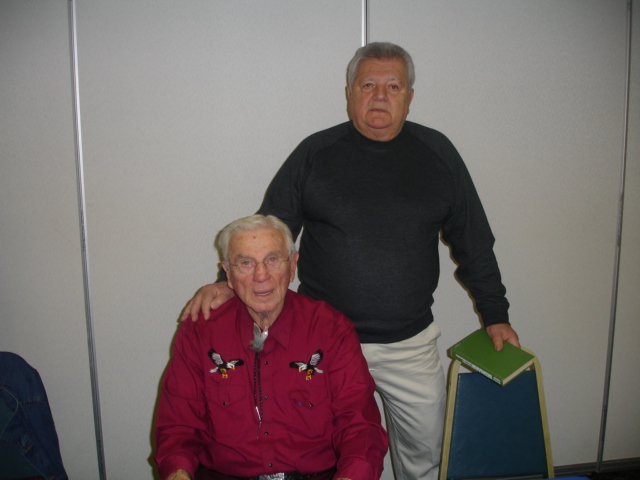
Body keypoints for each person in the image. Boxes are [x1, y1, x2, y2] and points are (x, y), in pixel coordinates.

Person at [180, 42, 520, 480]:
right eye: (368, 85)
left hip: (408, 343)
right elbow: (266, 232)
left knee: (429, 456)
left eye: (393, 86)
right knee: (323, 455)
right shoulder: (315, 153)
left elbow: (474, 240)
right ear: (349, 93)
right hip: (321, 343)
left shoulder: (437, 155)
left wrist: (495, 314)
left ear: (410, 96)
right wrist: (225, 282)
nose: (380, 96)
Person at [155, 215, 388, 480]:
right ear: (228, 273)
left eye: (272, 260)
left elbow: (360, 427)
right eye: (246, 263)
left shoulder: (331, 329)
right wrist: (178, 473)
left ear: (293, 266)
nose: (261, 275)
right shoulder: (200, 331)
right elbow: (178, 428)